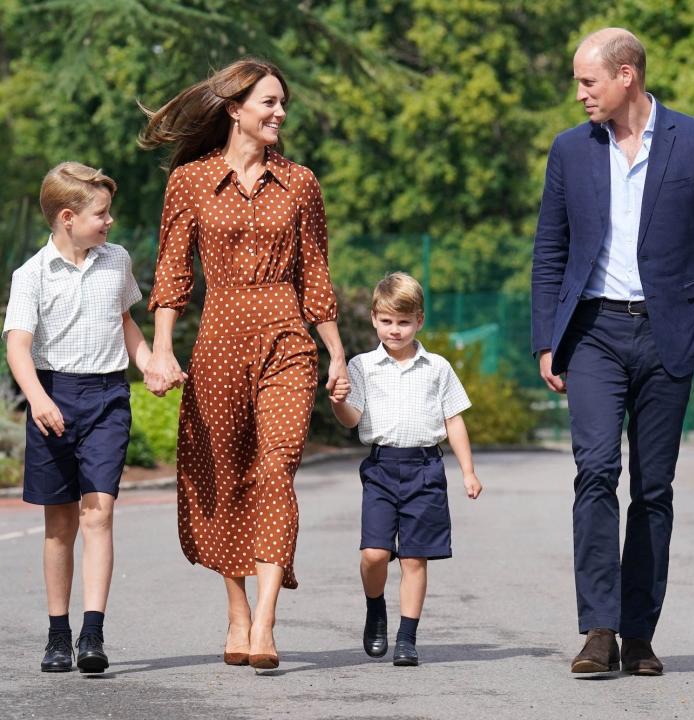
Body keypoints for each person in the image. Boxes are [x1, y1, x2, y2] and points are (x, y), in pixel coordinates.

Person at [531, 27, 694, 675]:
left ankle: (640, 634)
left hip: (672, 333)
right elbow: (549, 252)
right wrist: (548, 339)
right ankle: (599, 630)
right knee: (596, 471)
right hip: (595, 333)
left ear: (626, 75)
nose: (580, 94)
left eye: (588, 81)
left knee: (653, 488)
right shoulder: (569, 151)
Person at [139, 57, 349, 671]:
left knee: (277, 468)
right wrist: (160, 349)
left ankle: (264, 622)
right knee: (223, 474)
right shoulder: (191, 183)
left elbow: (316, 274)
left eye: (282, 103)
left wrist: (336, 353)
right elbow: (172, 275)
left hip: (287, 337)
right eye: (268, 103)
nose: (280, 113)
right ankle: (235, 612)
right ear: (235, 109)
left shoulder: (302, 182)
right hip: (220, 339)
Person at [3, 162, 154, 673]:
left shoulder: (117, 261)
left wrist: (149, 362)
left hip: (108, 396)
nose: (109, 223)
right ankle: (57, 633)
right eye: (101, 214)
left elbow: (126, 321)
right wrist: (37, 399)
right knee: (59, 523)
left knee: (100, 511)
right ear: (68, 217)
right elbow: (18, 348)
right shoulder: (31, 276)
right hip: (52, 396)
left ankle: (92, 632)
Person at [329, 272, 482, 667]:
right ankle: (375, 606)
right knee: (374, 554)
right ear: (374, 319)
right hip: (382, 468)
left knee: (415, 558)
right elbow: (351, 419)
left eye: (403, 322)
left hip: (426, 468)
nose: (394, 330)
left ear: (419, 321)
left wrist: (467, 471)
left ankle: (407, 638)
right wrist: (337, 401)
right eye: (386, 321)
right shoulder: (362, 366)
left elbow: (454, 420)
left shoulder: (438, 367)